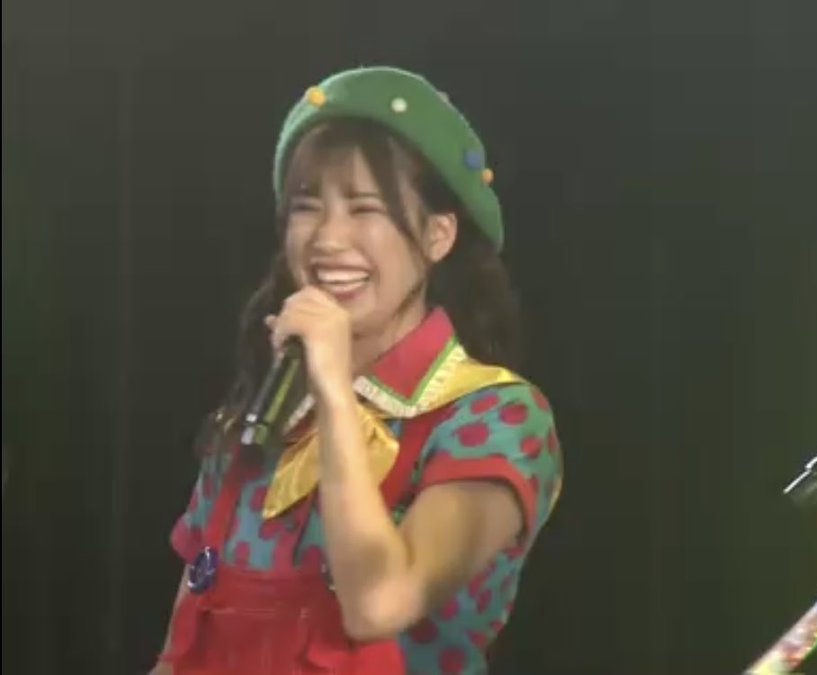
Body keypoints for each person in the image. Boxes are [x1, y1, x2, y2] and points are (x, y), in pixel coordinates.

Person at [152, 66, 564, 674]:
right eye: (307, 207)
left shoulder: (495, 418)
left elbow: (379, 603)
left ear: (438, 235)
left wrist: (334, 393)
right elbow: (179, 654)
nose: (328, 238)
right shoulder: (256, 423)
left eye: (365, 207)